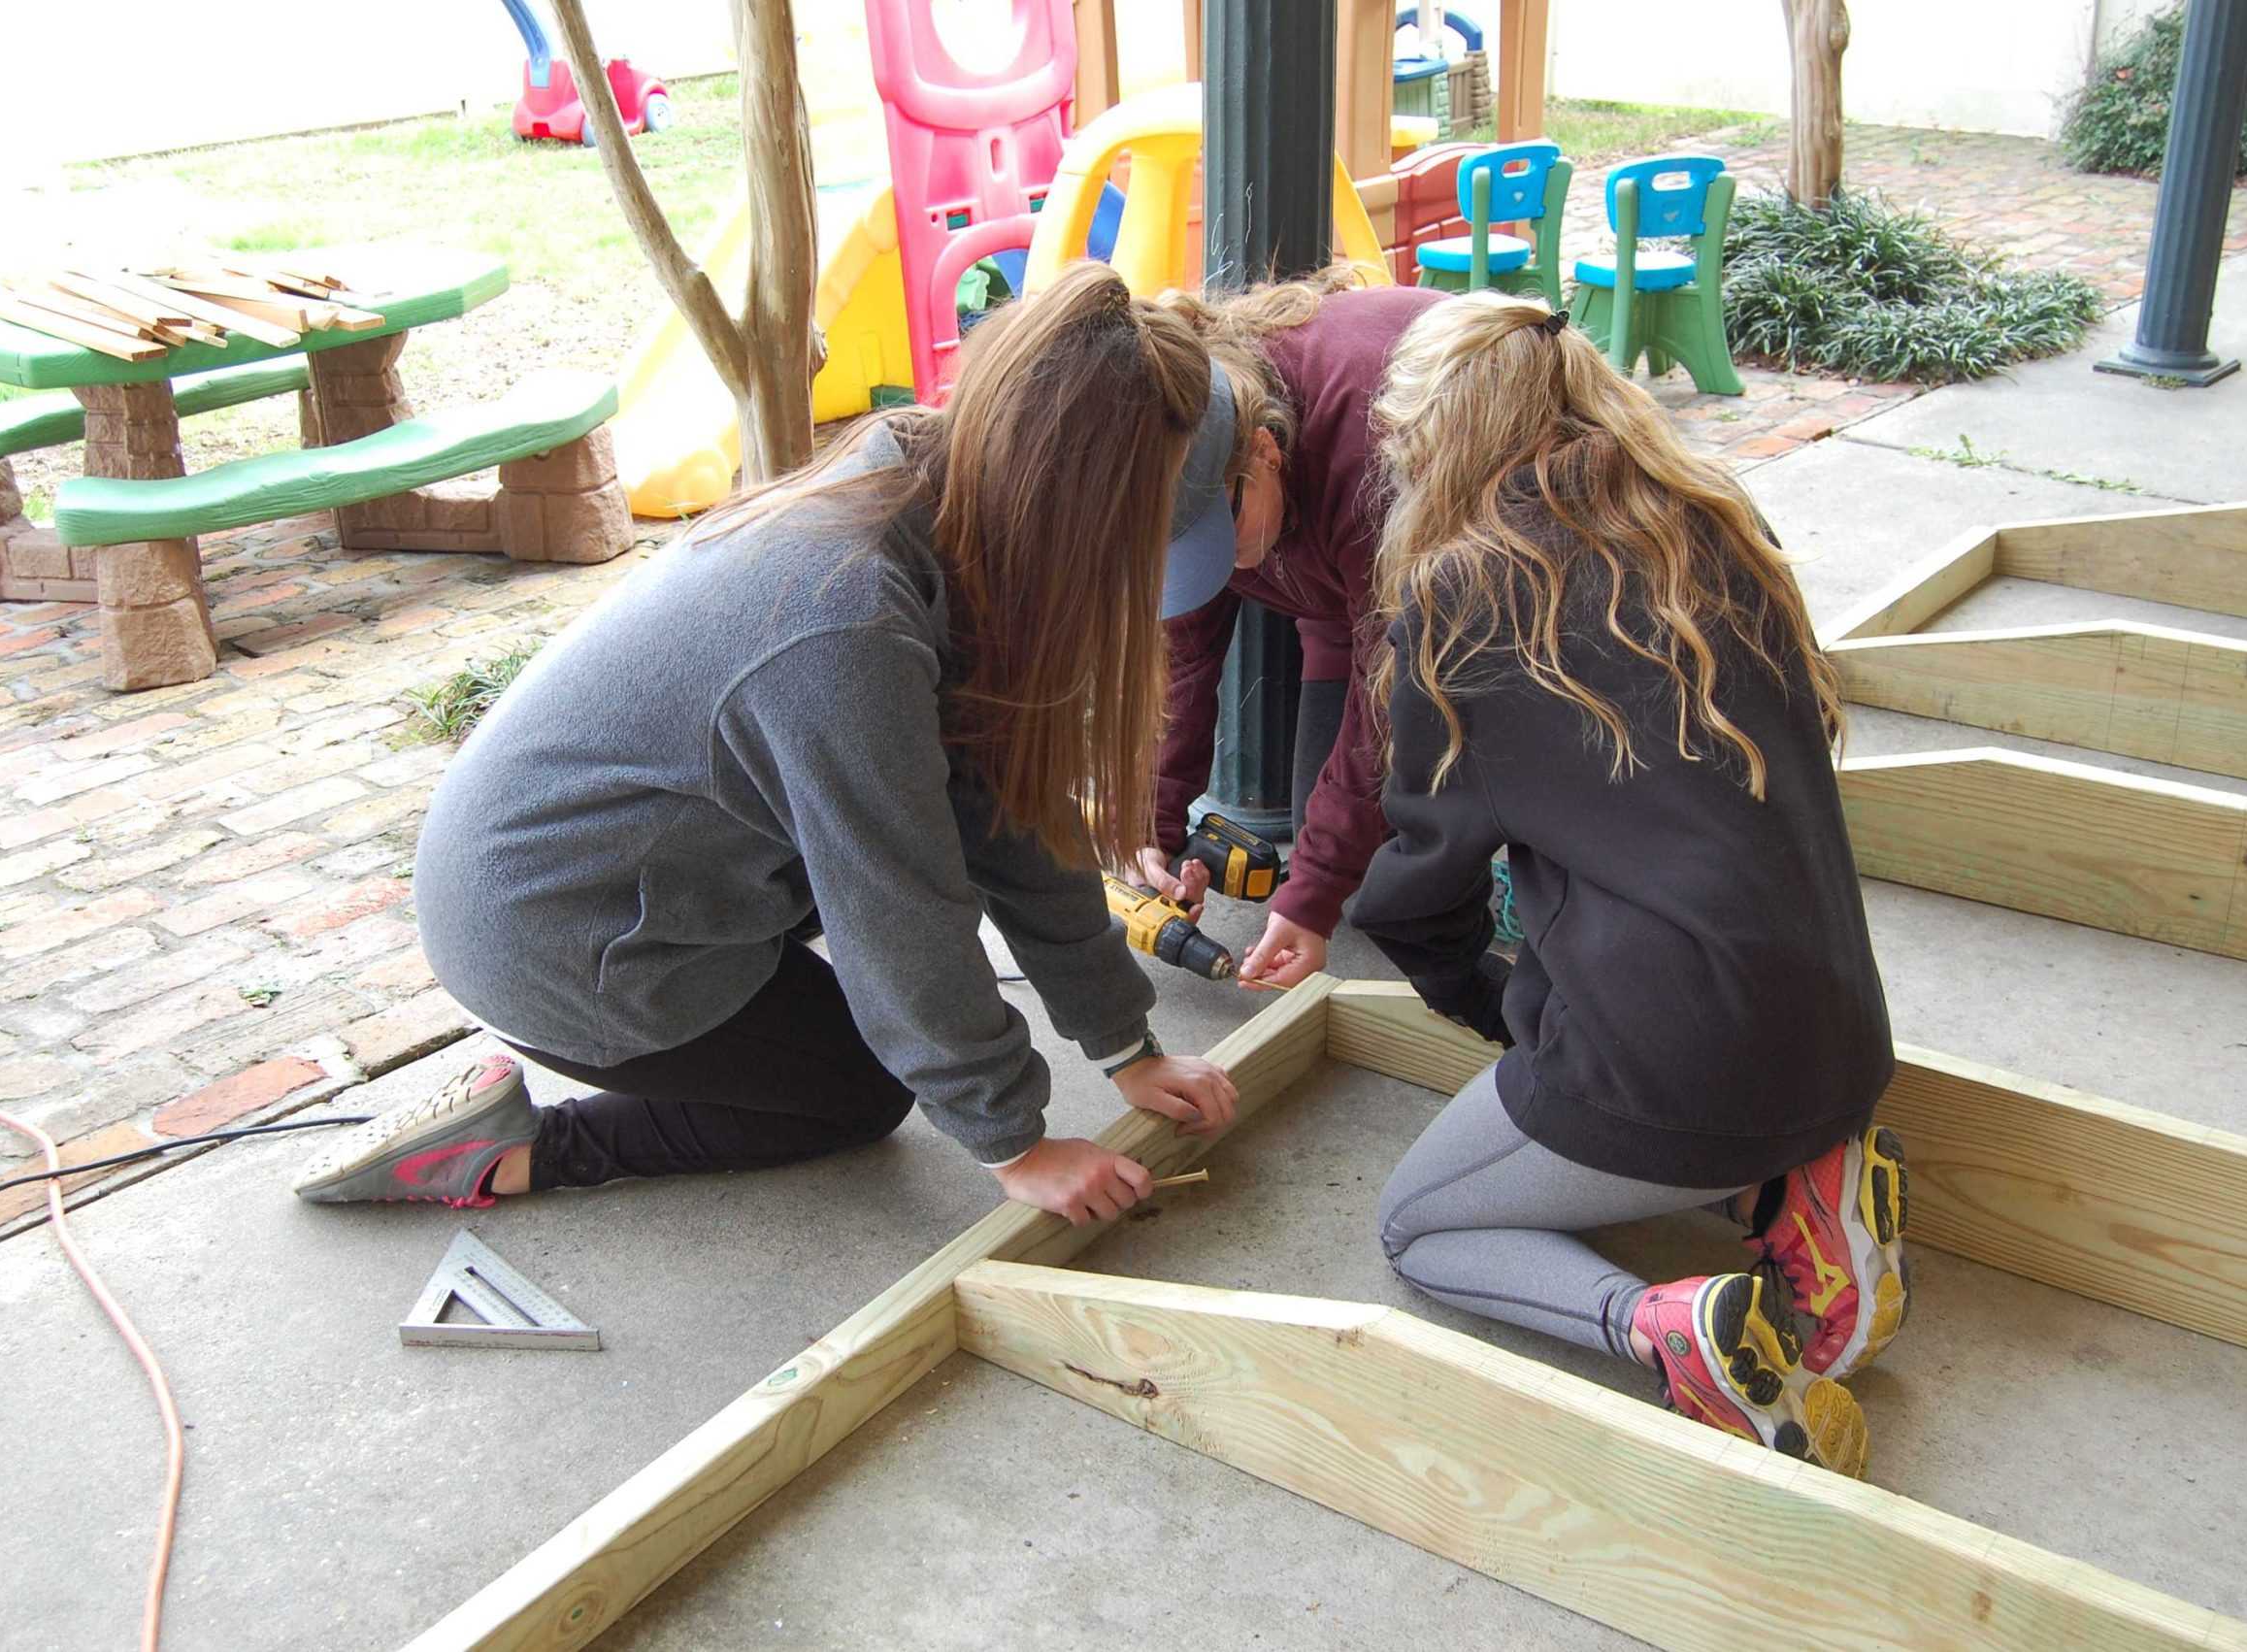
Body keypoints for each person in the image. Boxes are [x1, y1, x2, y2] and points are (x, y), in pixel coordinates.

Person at [292, 266, 1249, 1226]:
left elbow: (1006, 811)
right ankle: (514, 1149)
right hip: (557, 941)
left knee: (892, 1006)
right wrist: (1017, 1142)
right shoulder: (844, 628)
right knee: (858, 1093)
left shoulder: (940, 476)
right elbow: (896, 903)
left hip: (621, 878)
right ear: (1069, 512)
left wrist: (1124, 1042)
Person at [1352, 293, 1907, 1478]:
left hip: (1677, 1066)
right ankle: (1809, 1189)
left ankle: (1672, 1329)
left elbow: (1417, 888)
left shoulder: (1465, 595)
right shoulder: (1710, 520)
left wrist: (1489, 1003)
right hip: (1844, 1035)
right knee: (1691, 1068)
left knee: (1419, 1225)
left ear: (1435, 440)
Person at [1136, 272, 1450, 989]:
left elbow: (1390, 692)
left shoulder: (1374, 445)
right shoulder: (1182, 463)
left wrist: (1309, 898)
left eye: (1224, 534)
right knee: (1349, 861)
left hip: (1468, 581)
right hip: (1342, 601)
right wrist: (1147, 825)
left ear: (1265, 451)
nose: (1219, 565)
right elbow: (1181, 666)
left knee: (1382, 875)